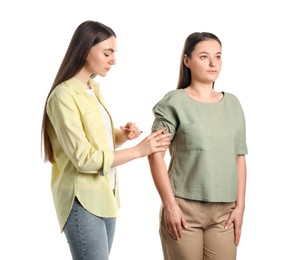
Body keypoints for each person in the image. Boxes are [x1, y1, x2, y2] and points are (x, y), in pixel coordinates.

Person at [41, 20, 171, 260]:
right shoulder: (62, 96)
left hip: (106, 194)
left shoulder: (92, 88)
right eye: (107, 53)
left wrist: (122, 136)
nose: (113, 60)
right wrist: (139, 150)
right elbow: (83, 159)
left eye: (114, 53)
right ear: (84, 49)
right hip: (82, 200)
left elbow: (96, 140)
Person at [148, 32, 248, 260]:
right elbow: (155, 155)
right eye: (204, 57)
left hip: (225, 212)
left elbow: (239, 158)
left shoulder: (233, 104)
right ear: (187, 61)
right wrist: (170, 205)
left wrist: (240, 207)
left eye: (218, 56)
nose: (213, 63)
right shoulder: (174, 102)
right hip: (184, 209)